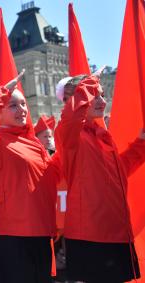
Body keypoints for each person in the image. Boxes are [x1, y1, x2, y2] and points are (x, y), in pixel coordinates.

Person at [54, 68, 145, 283]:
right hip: (91, 234)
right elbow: (70, 115)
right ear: (72, 99)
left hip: (116, 229)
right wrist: (88, 82)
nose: (101, 100)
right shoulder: (68, 133)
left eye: (102, 94)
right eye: (93, 94)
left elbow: (119, 169)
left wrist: (141, 142)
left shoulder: (102, 136)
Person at [0, 71, 60, 283]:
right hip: (14, 235)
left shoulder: (34, 143)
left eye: (23, 104)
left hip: (41, 232)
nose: (21, 109)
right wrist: (2, 92)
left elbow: (51, 177)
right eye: (12, 105)